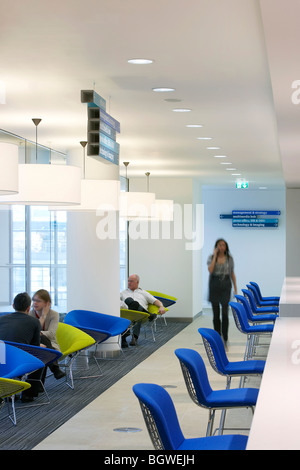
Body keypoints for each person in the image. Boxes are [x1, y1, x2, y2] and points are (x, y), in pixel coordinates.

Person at [0, 292, 43, 402]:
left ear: (13, 306)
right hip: (17, 362)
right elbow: (35, 348)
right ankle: (28, 394)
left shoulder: (2, 319)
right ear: (29, 308)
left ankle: (8, 391)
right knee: (39, 358)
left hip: (1, 359)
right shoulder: (34, 322)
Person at [120, 274, 166, 346]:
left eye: (131, 281)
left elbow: (155, 301)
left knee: (137, 313)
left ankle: (128, 338)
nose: (129, 283)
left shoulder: (144, 293)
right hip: (127, 313)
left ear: (137, 282)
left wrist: (161, 306)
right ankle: (149, 314)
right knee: (129, 300)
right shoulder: (123, 293)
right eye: (128, 281)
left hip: (140, 316)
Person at [207, 239, 237, 349]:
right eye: (219, 245)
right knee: (215, 315)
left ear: (226, 247)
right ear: (216, 246)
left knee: (224, 313)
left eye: (223, 245)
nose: (221, 247)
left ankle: (225, 337)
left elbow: (232, 273)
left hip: (226, 285)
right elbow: (210, 270)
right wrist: (215, 256)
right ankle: (217, 337)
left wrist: (235, 288)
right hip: (214, 285)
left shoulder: (230, 258)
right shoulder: (211, 257)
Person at [29, 289, 65, 380]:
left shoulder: (54, 314)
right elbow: (31, 333)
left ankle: (38, 386)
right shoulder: (30, 314)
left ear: (47, 303)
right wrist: (43, 316)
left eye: (38, 301)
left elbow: (51, 334)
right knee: (42, 351)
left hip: (50, 345)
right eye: (34, 300)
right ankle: (55, 368)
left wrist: (38, 333)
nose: (35, 303)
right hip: (34, 344)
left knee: (42, 350)